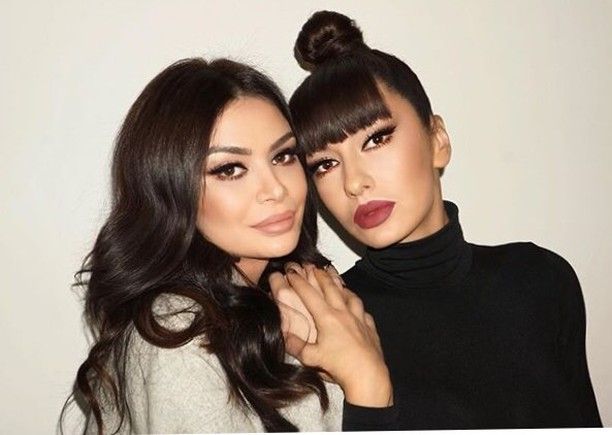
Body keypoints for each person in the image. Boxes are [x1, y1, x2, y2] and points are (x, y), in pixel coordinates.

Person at [279, 10, 602, 430]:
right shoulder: (330, 320)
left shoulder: (541, 279)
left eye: (376, 139)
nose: (354, 183)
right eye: (325, 164)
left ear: (438, 140)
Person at [61, 57, 393, 434]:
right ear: (172, 191)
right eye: (230, 169)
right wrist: (368, 387)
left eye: (283, 156)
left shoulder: (294, 298)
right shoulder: (175, 331)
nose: (276, 189)